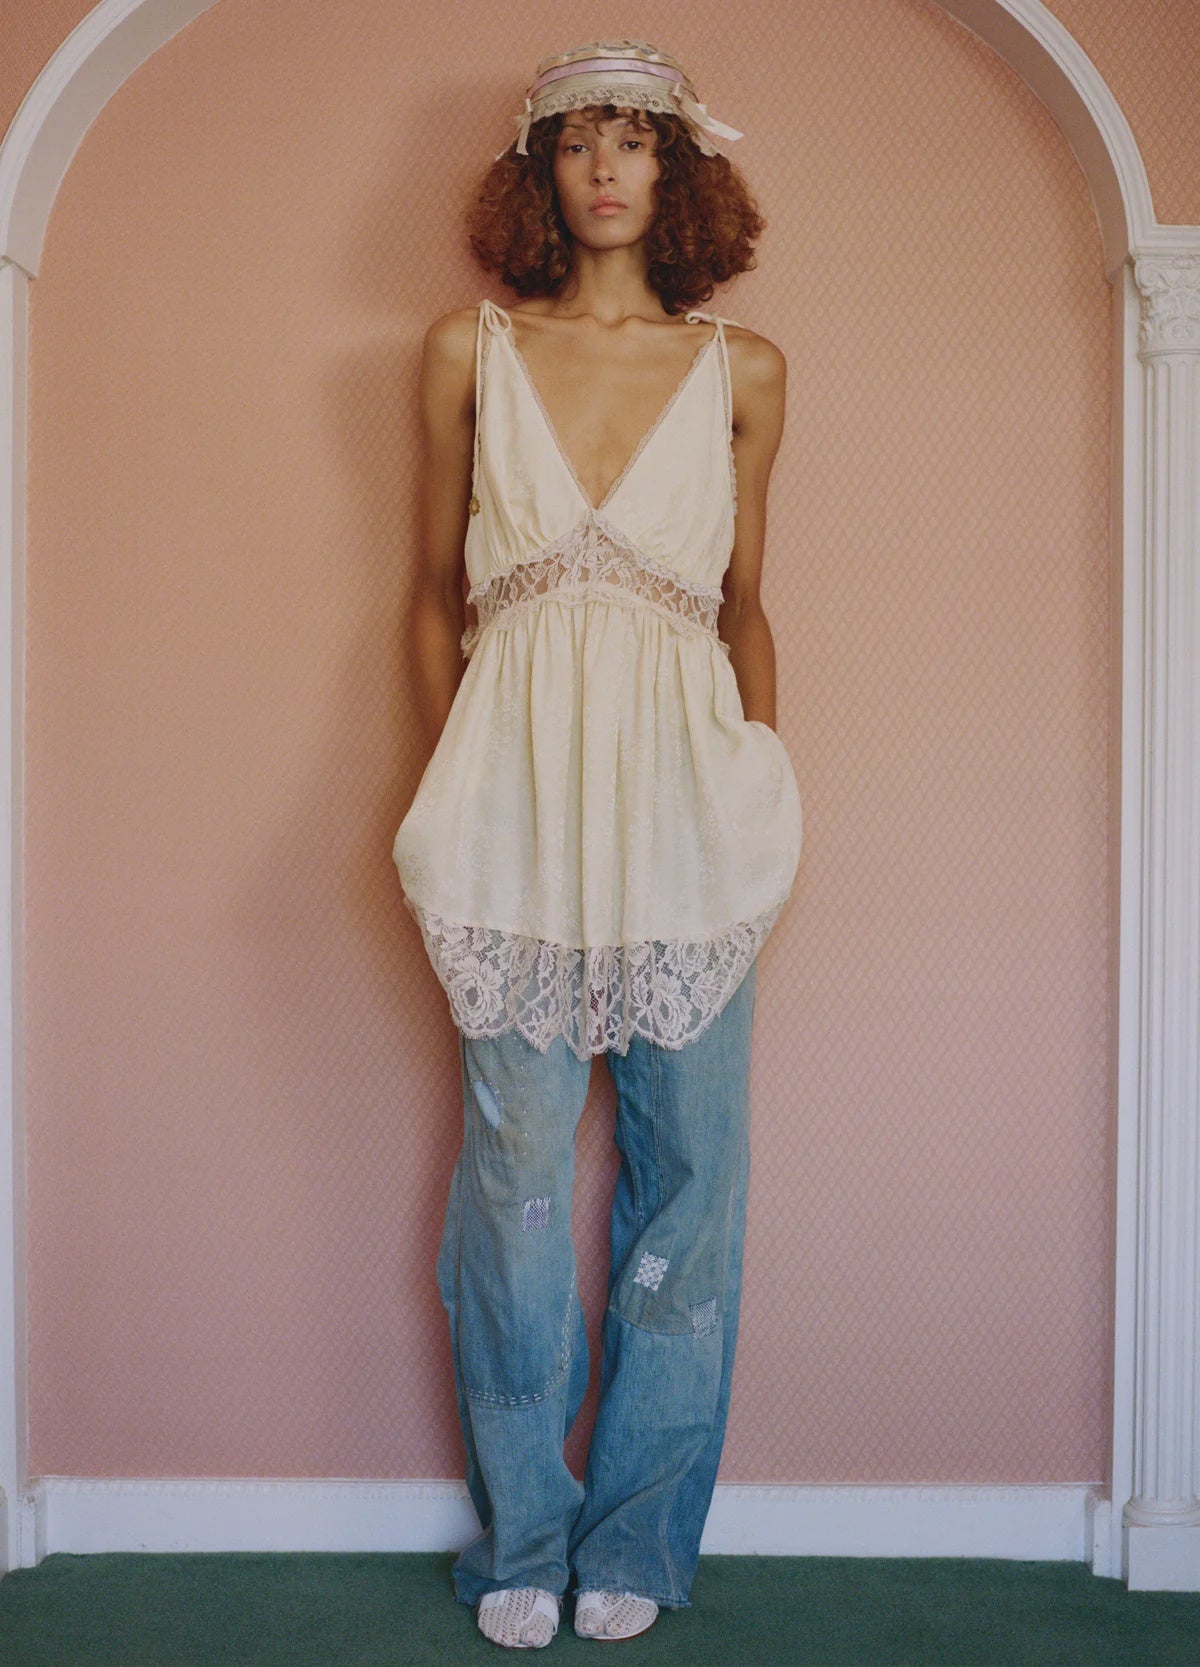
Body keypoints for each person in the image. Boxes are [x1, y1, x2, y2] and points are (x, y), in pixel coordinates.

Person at [392, 39, 803, 1649]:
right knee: (509, 1181)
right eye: (578, 143)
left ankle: (636, 1535)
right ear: (540, 173)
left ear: (676, 171)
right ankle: (523, 1539)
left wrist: (759, 779)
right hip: (511, 815)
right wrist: (451, 786)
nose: (607, 168)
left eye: (635, 141)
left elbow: (746, 607)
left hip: (692, 816)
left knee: (691, 1178)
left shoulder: (745, 369)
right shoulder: (467, 350)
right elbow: (430, 597)